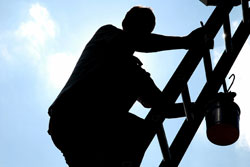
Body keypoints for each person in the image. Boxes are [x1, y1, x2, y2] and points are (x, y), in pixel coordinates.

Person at [48, 6, 205, 167]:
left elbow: (165, 108)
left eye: (145, 29)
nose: (141, 33)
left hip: (87, 131)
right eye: (139, 25)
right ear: (125, 23)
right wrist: (185, 41)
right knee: (140, 131)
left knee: (142, 131)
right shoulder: (106, 34)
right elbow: (138, 42)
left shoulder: (136, 74)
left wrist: (207, 105)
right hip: (70, 117)